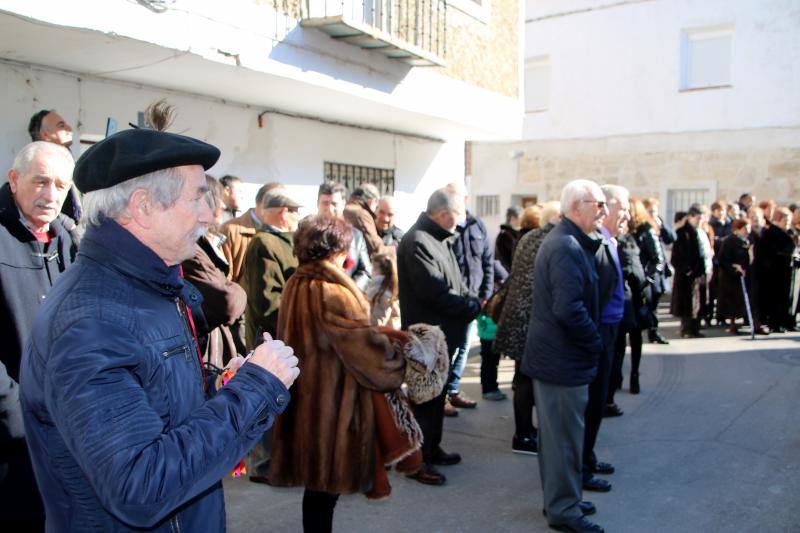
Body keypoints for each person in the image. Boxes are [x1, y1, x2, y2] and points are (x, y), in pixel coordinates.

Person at [20, 128, 300, 532]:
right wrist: (254, 390)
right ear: (143, 206)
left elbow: (155, 401)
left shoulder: (148, 287)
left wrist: (217, 388)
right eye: (197, 197)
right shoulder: (92, 321)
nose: (209, 215)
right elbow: (140, 487)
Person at [268, 214, 407, 533]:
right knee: (323, 491)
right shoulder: (332, 293)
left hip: (306, 401)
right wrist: (398, 358)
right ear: (335, 250)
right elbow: (366, 353)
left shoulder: (296, 282)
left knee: (317, 491)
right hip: (332, 411)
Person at [0, 140, 77, 530]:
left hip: (67, 432)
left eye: (61, 185)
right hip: (11, 440)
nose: (51, 195)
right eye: (40, 181)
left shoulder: (69, 241)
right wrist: (17, 414)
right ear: (14, 180)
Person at [523, 179, 607, 533]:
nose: (603, 211)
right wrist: (595, 341)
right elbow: (568, 309)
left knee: (560, 440)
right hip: (560, 360)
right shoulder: (567, 246)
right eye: (598, 204)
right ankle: (563, 509)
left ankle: (563, 499)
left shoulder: (571, 242)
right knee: (563, 442)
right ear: (576, 207)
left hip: (559, 358)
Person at [397, 188, 481, 485]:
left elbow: (455, 283)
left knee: (436, 398)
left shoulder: (439, 238)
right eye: (458, 215)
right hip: (427, 338)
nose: (461, 222)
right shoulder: (418, 240)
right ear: (444, 214)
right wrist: (470, 307)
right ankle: (417, 462)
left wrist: (472, 299)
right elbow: (434, 293)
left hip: (442, 336)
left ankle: (432, 449)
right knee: (424, 400)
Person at [493, 201, 560, 455]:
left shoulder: (530, 237)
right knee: (527, 381)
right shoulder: (551, 241)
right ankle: (523, 435)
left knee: (524, 378)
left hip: (519, 318)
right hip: (532, 321)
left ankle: (525, 431)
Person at [581, 184, 629, 494]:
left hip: (611, 326)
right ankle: (582, 465)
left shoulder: (610, 240)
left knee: (599, 402)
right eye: (622, 206)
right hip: (598, 329)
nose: (626, 213)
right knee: (592, 401)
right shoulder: (595, 242)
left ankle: (589, 455)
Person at [181, 175, 247, 367]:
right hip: (206, 348)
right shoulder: (190, 249)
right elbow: (227, 301)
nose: (221, 206)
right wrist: (237, 289)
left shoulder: (205, 241)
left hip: (215, 343)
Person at [447, 181, 494, 411]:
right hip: (450, 300)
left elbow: (487, 260)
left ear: (465, 200)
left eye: (454, 198)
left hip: (474, 300)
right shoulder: (446, 226)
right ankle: (444, 393)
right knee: (449, 346)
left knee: (464, 345)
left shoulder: (478, 226)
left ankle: (452, 389)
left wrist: (485, 295)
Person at [220, 182, 282, 354]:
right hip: (242, 316)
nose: (285, 213)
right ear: (263, 204)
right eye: (280, 206)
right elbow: (224, 277)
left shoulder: (283, 232)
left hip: (272, 315)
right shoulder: (232, 230)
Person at [241, 190, 301, 347]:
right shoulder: (264, 243)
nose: (298, 218)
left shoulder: (279, 240)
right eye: (296, 212)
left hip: (281, 339)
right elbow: (268, 302)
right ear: (284, 212)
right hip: (272, 342)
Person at [607, 213, 648, 413]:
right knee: (621, 345)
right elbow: (636, 272)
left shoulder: (625, 242)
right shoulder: (620, 243)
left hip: (630, 300)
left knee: (623, 344)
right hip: (628, 300)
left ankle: (630, 377)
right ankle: (622, 380)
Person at [27, 109, 82, 224]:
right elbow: (36, 204)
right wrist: (69, 225)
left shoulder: (69, 159)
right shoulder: (36, 164)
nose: (69, 129)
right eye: (61, 125)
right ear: (45, 134)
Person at [318, 181, 372, 291]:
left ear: (343, 204)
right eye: (325, 203)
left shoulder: (355, 235)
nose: (329, 209)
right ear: (317, 204)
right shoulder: (306, 233)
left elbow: (365, 272)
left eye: (334, 203)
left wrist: (349, 291)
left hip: (346, 300)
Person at [634, 199, 670, 344]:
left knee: (652, 307)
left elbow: (658, 256)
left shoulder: (649, 228)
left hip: (651, 277)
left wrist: (647, 278)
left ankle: (653, 332)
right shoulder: (634, 229)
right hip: (640, 276)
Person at [671, 204, 706, 338]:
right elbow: (677, 257)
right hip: (686, 275)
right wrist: (687, 270)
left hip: (697, 272)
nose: (700, 221)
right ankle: (686, 329)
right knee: (687, 303)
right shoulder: (682, 233)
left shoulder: (698, 232)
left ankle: (695, 328)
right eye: (698, 218)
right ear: (691, 217)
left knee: (697, 301)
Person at [759, 208, 797, 332]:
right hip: (775, 272)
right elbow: (768, 253)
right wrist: (784, 255)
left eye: (788, 220)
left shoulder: (789, 232)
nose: (787, 222)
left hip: (788, 270)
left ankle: (787, 321)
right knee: (776, 299)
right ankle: (775, 323)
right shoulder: (771, 233)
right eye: (785, 220)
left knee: (788, 298)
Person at [716, 219, 752, 334]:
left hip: (743, 274)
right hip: (730, 277)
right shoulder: (729, 241)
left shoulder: (746, 241)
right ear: (737, 230)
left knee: (741, 301)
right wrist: (734, 268)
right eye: (745, 229)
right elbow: (723, 259)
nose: (748, 231)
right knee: (731, 301)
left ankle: (741, 321)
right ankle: (732, 323)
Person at [344, 183, 384, 257]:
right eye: (377, 205)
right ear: (372, 201)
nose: (376, 208)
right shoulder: (361, 214)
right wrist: (391, 250)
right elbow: (374, 246)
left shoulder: (345, 208)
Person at [366, 252, 401, 329]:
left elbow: (378, 323)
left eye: (373, 269)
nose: (371, 272)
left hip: (384, 336)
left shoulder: (384, 295)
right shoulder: (376, 289)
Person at [495, 205, 522, 271]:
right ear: (512, 218)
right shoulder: (504, 235)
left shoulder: (517, 232)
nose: (522, 221)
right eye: (521, 218)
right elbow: (504, 260)